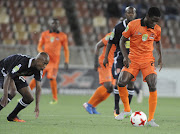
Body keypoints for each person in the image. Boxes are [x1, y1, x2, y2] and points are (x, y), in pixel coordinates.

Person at [114, 7, 162, 127]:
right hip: (133, 59)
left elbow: (158, 41)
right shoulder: (133, 24)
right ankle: (126, 110)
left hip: (147, 60)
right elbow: (122, 41)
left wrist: (161, 56)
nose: (154, 23)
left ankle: (151, 119)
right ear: (148, 16)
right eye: (153, 20)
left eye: (157, 21)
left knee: (152, 84)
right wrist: (125, 57)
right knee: (121, 82)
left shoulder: (156, 29)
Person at [103, 6, 139, 117]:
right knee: (119, 81)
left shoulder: (139, 26)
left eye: (132, 13)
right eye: (128, 13)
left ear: (135, 14)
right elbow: (110, 42)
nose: (130, 15)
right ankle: (116, 107)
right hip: (119, 58)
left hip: (133, 58)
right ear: (125, 14)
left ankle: (127, 108)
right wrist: (105, 57)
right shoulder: (118, 27)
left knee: (131, 82)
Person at [29, 18, 69, 104]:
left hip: (54, 62)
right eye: (53, 23)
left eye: (56, 24)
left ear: (58, 25)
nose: (55, 25)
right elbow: (39, 46)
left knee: (52, 78)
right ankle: (27, 94)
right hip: (44, 62)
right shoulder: (44, 34)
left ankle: (55, 98)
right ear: (50, 24)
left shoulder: (63, 36)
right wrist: (42, 53)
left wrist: (66, 61)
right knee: (37, 77)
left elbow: (66, 49)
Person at [0, 52, 49, 122]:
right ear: (38, 60)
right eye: (44, 63)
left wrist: (37, 105)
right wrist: (5, 95)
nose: (45, 66)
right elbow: (8, 75)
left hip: (15, 74)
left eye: (46, 64)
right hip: (3, 70)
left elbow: (38, 88)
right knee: (12, 91)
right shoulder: (23, 62)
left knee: (29, 98)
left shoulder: (39, 70)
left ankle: (12, 116)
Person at [83, 32, 116, 114]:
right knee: (107, 85)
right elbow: (98, 45)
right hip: (105, 63)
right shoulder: (112, 35)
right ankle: (88, 104)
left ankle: (93, 106)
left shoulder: (127, 37)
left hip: (114, 65)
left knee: (111, 88)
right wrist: (95, 62)